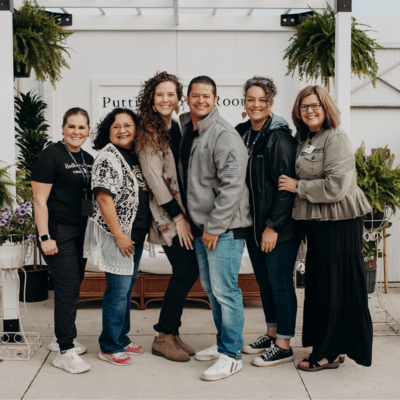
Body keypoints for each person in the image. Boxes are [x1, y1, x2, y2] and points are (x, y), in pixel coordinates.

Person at [278, 85, 373, 371]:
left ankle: (328, 352)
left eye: (315, 105)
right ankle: (333, 347)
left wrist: (298, 186)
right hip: (319, 224)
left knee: (335, 286)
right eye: (304, 106)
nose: (309, 110)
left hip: (340, 223)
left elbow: (337, 186)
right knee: (322, 285)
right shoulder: (306, 138)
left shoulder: (336, 138)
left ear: (325, 107)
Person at [179, 75, 252, 381]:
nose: (201, 100)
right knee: (212, 289)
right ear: (187, 99)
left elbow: (233, 186)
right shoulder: (189, 130)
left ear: (216, 99)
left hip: (223, 229)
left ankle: (232, 354)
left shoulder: (223, 134)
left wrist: (214, 226)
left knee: (225, 290)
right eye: (195, 95)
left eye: (207, 96)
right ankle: (223, 343)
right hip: (202, 227)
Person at [235, 77, 300, 367]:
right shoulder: (243, 133)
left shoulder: (279, 137)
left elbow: (285, 188)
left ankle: (284, 344)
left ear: (271, 103)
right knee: (264, 282)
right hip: (254, 225)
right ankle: (272, 333)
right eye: (251, 99)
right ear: (244, 102)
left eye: (262, 99)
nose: (256, 104)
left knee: (280, 283)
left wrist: (273, 226)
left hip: (278, 227)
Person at [136, 71, 199, 362]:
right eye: (159, 94)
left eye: (170, 94)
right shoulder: (148, 130)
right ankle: (162, 335)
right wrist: (177, 218)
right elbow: (153, 178)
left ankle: (172, 333)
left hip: (182, 211)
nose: (165, 99)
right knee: (186, 271)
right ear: (151, 97)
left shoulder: (174, 125)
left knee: (187, 271)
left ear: (178, 100)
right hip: (166, 214)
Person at [84, 108, 151, 366]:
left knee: (126, 288)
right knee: (118, 290)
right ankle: (109, 346)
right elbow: (103, 198)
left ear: (136, 128)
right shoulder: (108, 157)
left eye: (128, 125)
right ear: (107, 132)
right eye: (116, 126)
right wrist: (120, 235)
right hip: (119, 235)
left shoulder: (134, 155)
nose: (123, 130)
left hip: (135, 234)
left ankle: (121, 338)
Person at [31, 107, 94, 374]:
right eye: (71, 126)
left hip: (80, 232)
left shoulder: (89, 158)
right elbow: (39, 200)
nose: (76, 132)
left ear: (88, 130)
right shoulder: (49, 156)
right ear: (62, 129)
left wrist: (90, 228)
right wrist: (45, 236)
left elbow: (86, 199)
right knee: (68, 289)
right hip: (57, 231)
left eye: (81, 127)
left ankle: (60, 339)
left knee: (73, 285)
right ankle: (65, 351)